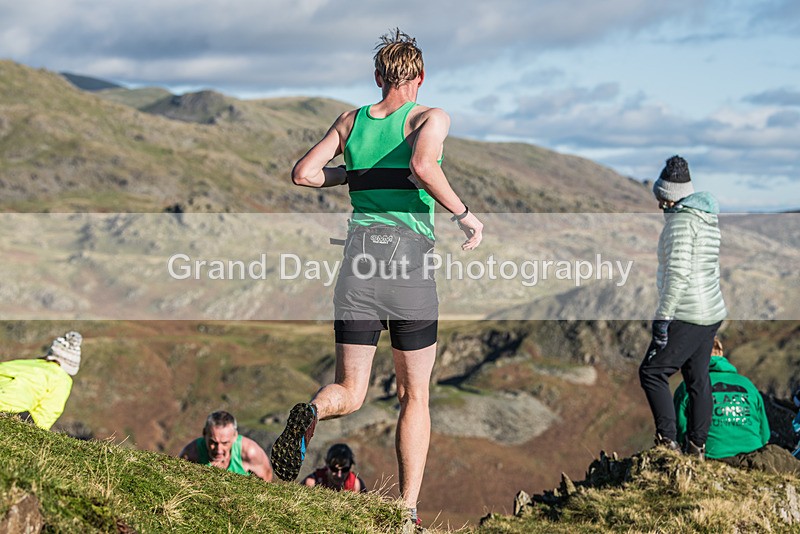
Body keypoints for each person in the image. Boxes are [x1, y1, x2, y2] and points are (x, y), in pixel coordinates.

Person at [272, 29, 483, 526]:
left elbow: (304, 173)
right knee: (414, 395)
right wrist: (466, 214)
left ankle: (312, 414)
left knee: (350, 390)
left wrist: (353, 174)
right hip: (407, 262)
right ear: (421, 77)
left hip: (358, 263)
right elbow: (423, 164)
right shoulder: (430, 117)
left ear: (377, 77)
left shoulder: (350, 121)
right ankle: (406, 510)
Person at [639, 155, 727, 459]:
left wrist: (663, 318)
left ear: (671, 198)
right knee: (697, 377)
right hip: (711, 313)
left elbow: (677, 274)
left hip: (688, 313)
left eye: (662, 199)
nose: (660, 205)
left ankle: (668, 442)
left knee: (652, 372)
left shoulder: (679, 223)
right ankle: (697, 446)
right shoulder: (707, 219)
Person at [674, 337, 769, 459]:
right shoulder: (748, 384)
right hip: (752, 457)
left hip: (712, 457)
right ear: (721, 354)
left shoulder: (688, 385)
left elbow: (679, 431)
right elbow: (764, 435)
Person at [0, 331, 82, 430]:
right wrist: (37, 430)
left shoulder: (24, 363)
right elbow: (48, 412)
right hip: (13, 410)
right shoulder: (63, 379)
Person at [179, 410, 273, 481]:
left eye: (225, 443)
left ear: (235, 436)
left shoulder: (250, 453)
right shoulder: (190, 454)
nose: (219, 450)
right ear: (204, 433)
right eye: (213, 442)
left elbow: (266, 480)